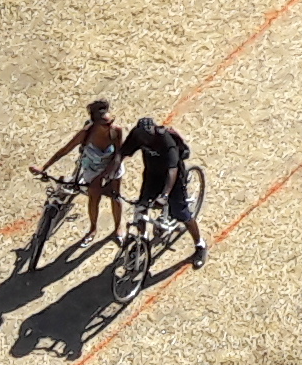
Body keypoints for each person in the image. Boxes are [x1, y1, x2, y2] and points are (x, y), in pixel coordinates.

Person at [38, 99, 125, 250]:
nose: (109, 125)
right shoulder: (86, 134)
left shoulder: (116, 131)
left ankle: (118, 228)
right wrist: (44, 167)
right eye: (105, 124)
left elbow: (119, 155)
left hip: (111, 167)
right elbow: (65, 150)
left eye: (111, 122)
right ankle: (93, 229)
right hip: (92, 169)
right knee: (94, 198)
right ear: (96, 123)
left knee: (115, 196)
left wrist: (105, 175)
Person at [123, 114, 203, 268]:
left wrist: (165, 195)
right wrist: (112, 170)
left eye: (147, 137)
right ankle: (142, 241)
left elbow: (172, 170)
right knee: (140, 208)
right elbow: (122, 153)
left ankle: (200, 245)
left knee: (181, 213)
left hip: (172, 179)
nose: (144, 140)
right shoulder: (138, 135)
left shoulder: (166, 141)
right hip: (152, 176)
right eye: (142, 137)